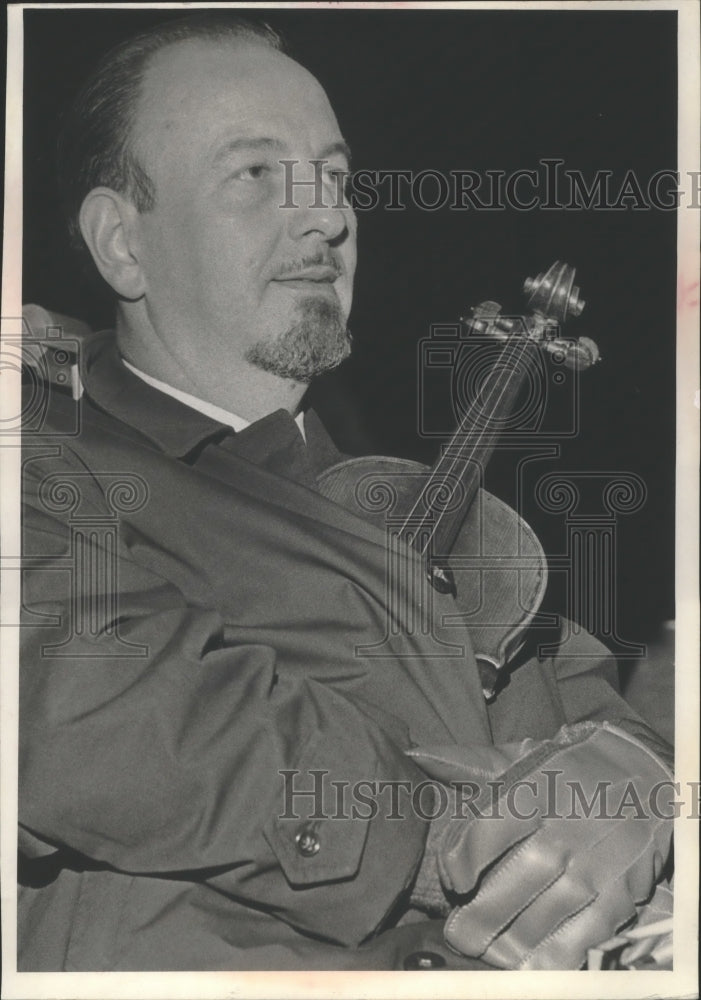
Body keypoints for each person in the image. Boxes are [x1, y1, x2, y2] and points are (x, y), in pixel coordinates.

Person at [18, 13, 673, 972]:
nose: (327, 216)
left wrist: (638, 780)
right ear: (122, 243)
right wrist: (490, 834)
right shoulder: (43, 457)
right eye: (255, 173)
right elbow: (100, 711)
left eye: (335, 177)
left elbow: (594, 707)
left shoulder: (442, 522)